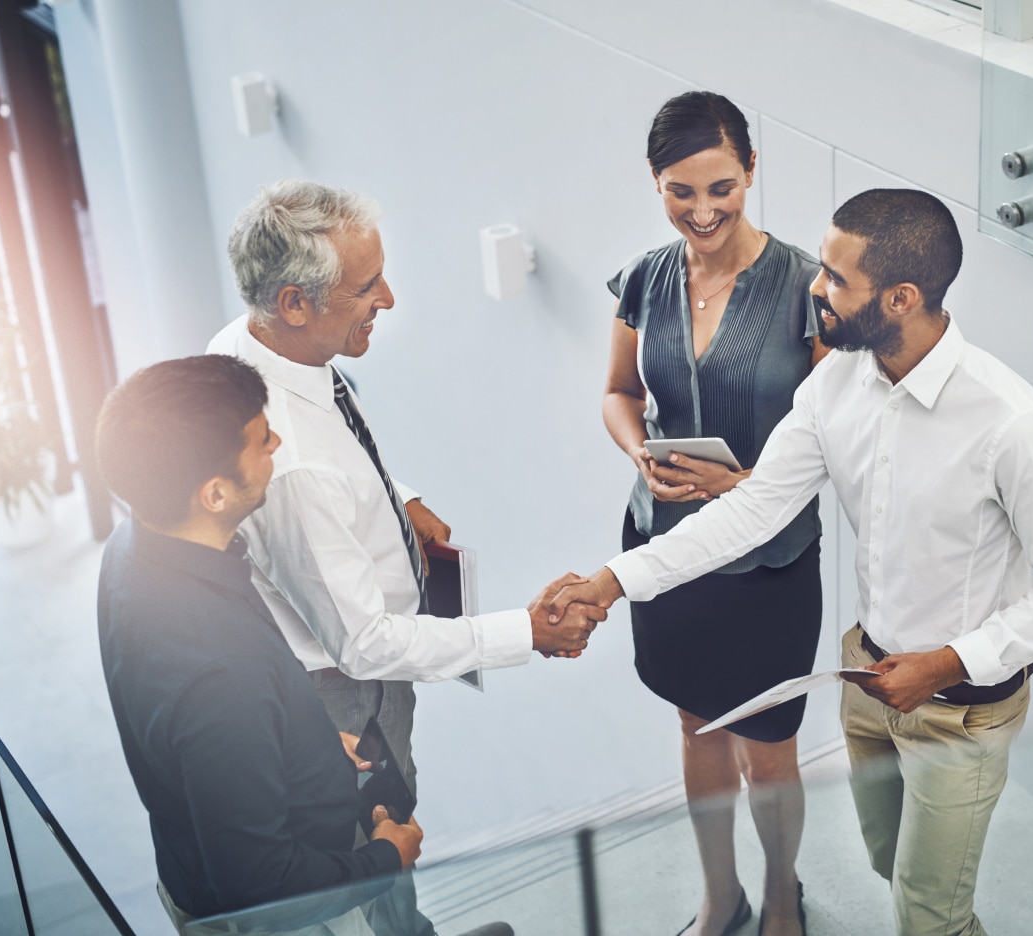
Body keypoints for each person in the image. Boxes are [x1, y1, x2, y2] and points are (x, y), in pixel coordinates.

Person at [551, 189, 1033, 936]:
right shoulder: (835, 384)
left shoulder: (1011, 423)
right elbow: (754, 510)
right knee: (891, 868)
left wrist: (943, 664)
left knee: (927, 913)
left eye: (838, 279)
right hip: (867, 677)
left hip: (960, 705)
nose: (816, 287)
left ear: (901, 298)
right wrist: (614, 581)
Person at [208, 180, 604, 797]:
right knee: (379, 865)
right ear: (293, 304)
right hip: (346, 701)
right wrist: (527, 633)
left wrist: (399, 498)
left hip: (338, 662)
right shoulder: (294, 471)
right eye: (365, 288)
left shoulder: (247, 346)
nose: (387, 299)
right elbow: (364, 646)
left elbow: (331, 449)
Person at [93, 355, 423, 931]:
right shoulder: (220, 674)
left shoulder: (131, 546)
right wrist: (385, 859)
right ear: (214, 494)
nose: (276, 442)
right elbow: (261, 885)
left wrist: (307, 742)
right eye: (260, 438)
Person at [603, 91, 827, 936]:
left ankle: (778, 896)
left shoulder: (809, 286)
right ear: (656, 183)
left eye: (721, 189)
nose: (702, 212)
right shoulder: (643, 279)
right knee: (697, 727)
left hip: (767, 560)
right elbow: (620, 392)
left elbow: (835, 436)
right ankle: (719, 894)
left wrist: (751, 490)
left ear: (753, 173)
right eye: (680, 191)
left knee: (767, 748)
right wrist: (637, 453)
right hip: (666, 544)